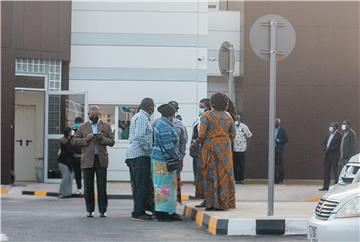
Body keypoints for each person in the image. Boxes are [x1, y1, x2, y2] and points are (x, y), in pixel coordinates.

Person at [192, 92, 236, 211]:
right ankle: (223, 203)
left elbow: (201, 135)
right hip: (225, 149)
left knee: (210, 175)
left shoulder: (207, 116)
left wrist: (195, 142)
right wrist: (224, 142)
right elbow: (233, 134)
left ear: (212, 103)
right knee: (224, 175)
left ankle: (211, 203)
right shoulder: (229, 116)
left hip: (210, 148)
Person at [72, 105, 115, 218]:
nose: (94, 116)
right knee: (88, 186)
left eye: (96, 115)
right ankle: (90, 210)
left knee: (102, 186)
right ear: (88, 115)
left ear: (99, 115)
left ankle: (102, 210)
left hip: (101, 160)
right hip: (87, 160)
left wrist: (102, 139)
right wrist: (87, 139)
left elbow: (112, 142)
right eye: (92, 114)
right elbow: (74, 141)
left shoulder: (106, 126)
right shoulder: (82, 127)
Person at [125, 98, 155, 221]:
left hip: (135, 155)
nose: (153, 109)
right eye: (153, 106)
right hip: (139, 155)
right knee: (141, 185)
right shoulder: (142, 117)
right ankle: (137, 212)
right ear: (149, 106)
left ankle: (141, 209)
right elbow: (140, 136)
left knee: (140, 184)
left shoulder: (138, 116)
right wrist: (149, 149)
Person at [152, 104, 182, 221]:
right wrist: (177, 155)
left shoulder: (160, 123)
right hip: (164, 160)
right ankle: (163, 213)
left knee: (162, 186)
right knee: (165, 186)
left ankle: (166, 211)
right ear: (172, 114)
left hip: (159, 159)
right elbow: (168, 145)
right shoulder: (164, 125)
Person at [190, 98, 211, 203]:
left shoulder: (208, 118)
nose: (200, 109)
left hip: (204, 151)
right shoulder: (198, 119)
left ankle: (204, 196)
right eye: (199, 107)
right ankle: (199, 195)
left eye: (202, 107)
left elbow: (202, 136)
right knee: (197, 176)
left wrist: (196, 142)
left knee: (203, 175)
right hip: (196, 151)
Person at [168, 101, 188, 204]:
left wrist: (182, 155)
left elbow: (183, 141)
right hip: (175, 157)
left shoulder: (158, 123)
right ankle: (174, 200)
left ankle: (169, 201)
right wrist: (181, 154)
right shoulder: (179, 124)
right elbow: (184, 141)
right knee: (174, 179)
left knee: (167, 180)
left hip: (170, 157)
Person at [319, 122, 342, 191]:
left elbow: (338, 146)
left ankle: (336, 187)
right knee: (326, 172)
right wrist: (325, 148)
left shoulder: (339, 135)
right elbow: (324, 143)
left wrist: (329, 149)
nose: (331, 127)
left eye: (332, 126)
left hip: (334, 156)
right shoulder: (328, 134)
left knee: (335, 172)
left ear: (336, 127)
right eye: (330, 126)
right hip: (327, 156)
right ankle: (325, 186)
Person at [233, 114, 252, 184]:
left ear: (240, 119)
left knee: (241, 164)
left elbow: (249, 136)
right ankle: (234, 178)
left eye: (238, 119)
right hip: (234, 149)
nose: (236, 120)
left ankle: (240, 179)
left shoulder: (244, 127)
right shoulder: (232, 126)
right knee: (234, 164)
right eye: (235, 118)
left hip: (242, 149)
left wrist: (247, 146)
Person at [58, 127, 74, 198]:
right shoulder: (65, 141)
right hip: (64, 162)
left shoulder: (68, 140)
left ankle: (67, 193)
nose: (72, 133)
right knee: (65, 178)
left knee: (70, 178)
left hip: (69, 162)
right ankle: (61, 193)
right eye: (71, 131)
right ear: (68, 133)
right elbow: (69, 150)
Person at [275, 118, 288, 184]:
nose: (276, 123)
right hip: (272, 150)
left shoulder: (283, 130)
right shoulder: (272, 130)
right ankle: (274, 179)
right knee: (273, 165)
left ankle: (281, 179)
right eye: (275, 122)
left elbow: (286, 139)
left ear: (279, 123)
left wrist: (279, 140)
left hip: (279, 150)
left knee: (280, 165)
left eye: (277, 122)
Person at [72, 117, 83, 194]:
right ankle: (81, 188)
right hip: (83, 156)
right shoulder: (84, 131)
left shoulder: (73, 133)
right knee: (84, 173)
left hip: (76, 157)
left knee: (77, 173)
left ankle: (79, 188)